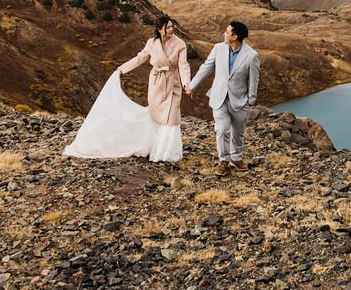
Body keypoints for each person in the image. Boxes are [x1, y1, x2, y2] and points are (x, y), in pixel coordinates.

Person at [64, 16, 190, 162]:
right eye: (167, 27)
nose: (171, 29)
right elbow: (139, 58)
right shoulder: (152, 43)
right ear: (159, 29)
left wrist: (187, 84)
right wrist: (121, 70)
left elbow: (183, 65)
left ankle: (167, 153)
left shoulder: (180, 44)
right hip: (156, 82)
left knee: (172, 116)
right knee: (155, 115)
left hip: (172, 82)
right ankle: (153, 146)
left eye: (172, 26)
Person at [186, 20, 260, 176]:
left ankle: (236, 158)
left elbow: (254, 80)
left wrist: (250, 101)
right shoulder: (218, 48)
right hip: (219, 97)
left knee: (238, 133)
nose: (224, 34)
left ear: (235, 36)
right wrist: (192, 86)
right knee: (222, 130)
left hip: (240, 101)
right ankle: (224, 160)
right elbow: (206, 67)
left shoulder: (251, 55)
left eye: (227, 32)